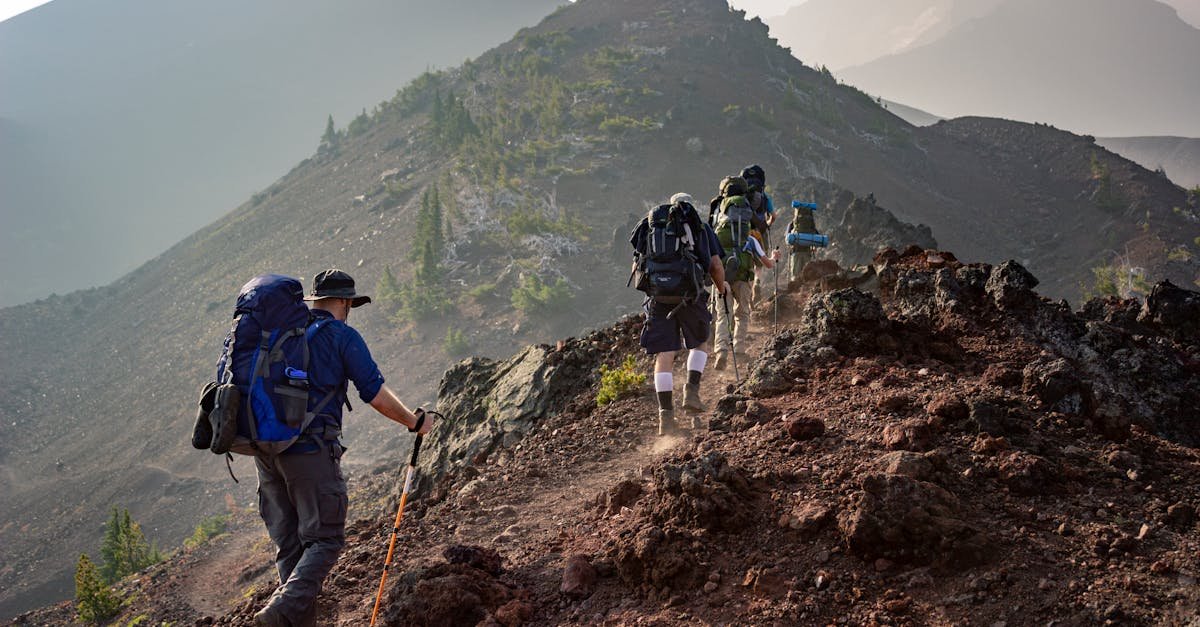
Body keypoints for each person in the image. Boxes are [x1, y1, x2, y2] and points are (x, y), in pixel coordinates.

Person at [254, 269, 435, 627]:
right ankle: (280, 611)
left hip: (266, 453)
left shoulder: (284, 335)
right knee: (325, 541)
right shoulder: (341, 336)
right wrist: (414, 422)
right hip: (310, 452)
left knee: (291, 547)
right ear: (346, 302)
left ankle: (288, 617)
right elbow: (375, 395)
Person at [631, 193, 727, 434]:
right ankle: (691, 392)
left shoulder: (650, 228)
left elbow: (637, 266)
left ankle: (666, 418)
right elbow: (715, 266)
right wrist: (721, 288)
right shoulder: (700, 228)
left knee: (664, 355)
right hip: (690, 295)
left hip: (658, 299)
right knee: (699, 344)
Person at [712, 203, 780, 370]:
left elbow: (711, 262)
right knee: (741, 315)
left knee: (723, 316)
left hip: (722, 281)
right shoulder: (750, 238)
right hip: (743, 280)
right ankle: (739, 351)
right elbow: (766, 264)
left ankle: (721, 352)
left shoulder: (716, 236)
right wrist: (774, 257)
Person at [740, 165, 776, 302]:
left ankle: (748, 289)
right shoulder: (765, 197)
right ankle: (758, 283)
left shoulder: (741, 197)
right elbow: (774, 216)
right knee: (759, 263)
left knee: (746, 263)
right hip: (759, 233)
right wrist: (766, 224)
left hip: (744, 232)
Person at [787, 199, 820, 290]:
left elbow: (787, 239)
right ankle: (805, 293)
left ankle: (795, 293)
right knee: (807, 276)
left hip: (796, 252)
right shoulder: (810, 225)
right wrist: (814, 247)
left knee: (795, 276)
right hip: (807, 252)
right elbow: (816, 237)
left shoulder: (793, 224)